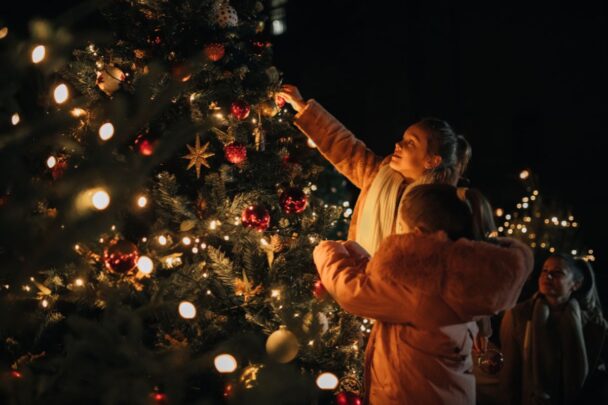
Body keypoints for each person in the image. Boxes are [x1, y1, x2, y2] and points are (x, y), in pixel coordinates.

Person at [313, 184, 534, 404]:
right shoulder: (455, 273)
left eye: (401, 226)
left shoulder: (420, 287)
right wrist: (356, 252)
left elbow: (352, 291)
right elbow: (388, 287)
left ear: (417, 232)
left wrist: (327, 249)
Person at [277, 85, 472, 255]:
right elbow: (343, 146)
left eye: (410, 143)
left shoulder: (443, 209)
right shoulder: (377, 175)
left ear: (432, 160)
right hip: (364, 285)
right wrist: (302, 107)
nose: (398, 144)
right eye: (403, 138)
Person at [499, 254, 608, 405]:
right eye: (544, 271)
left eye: (557, 273)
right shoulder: (519, 316)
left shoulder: (593, 323)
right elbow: (509, 376)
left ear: (576, 284)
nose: (547, 276)